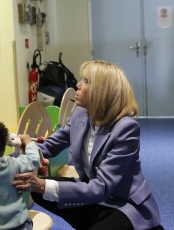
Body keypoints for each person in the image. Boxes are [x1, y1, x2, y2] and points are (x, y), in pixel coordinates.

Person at [13, 60, 164, 230]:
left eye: (85, 81)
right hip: (95, 195)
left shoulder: (126, 128)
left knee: (43, 187)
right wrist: (12, 151)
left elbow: (102, 186)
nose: (77, 85)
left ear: (101, 91)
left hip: (124, 203)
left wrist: (43, 185)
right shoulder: (81, 115)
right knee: (39, 191)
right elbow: (50, 145)